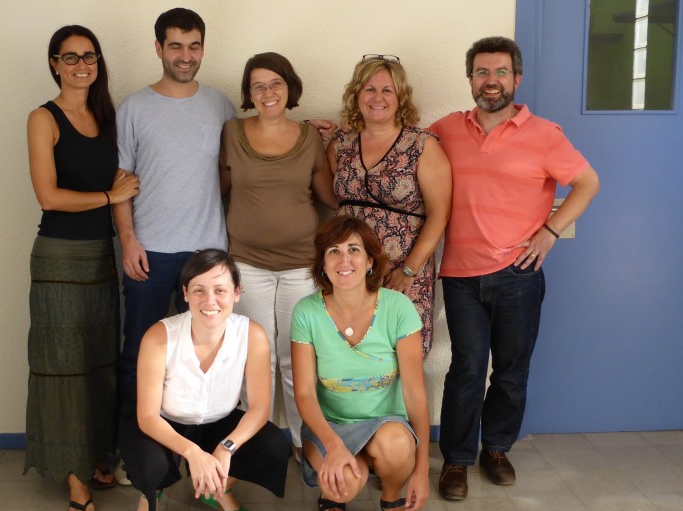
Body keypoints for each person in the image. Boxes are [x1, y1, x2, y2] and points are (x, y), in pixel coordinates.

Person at [429, 37, 600, 499]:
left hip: (519, 275)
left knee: (510, 371)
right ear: (470, 79)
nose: (491, 81)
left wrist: (551, 232)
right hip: (460, 274)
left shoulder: (545, 134)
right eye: (482, 72)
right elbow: (401, 149)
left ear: (516, 79)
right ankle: (457, 459)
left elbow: (588, 182)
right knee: (466, 369)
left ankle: (497, 448)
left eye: (501, 72)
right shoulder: (444, 130)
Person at [23, 24, 140, 511]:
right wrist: (110, 196)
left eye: (88, 56)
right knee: (65, 367)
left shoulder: (106, 116)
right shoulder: (42, 118)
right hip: (58, 258)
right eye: (69, 57)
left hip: (100, 256)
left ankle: (92, 457)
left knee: (97, 362)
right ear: (54, 63)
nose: (80, 65)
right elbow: (48, 196)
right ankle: (74, 477)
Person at [115, 8, 237, 452]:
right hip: (149, 251)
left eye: (194, 46)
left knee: (208, 355)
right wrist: (129, 240)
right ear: (158, 48)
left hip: (207, 256)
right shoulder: (134, 108)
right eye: (176, 46)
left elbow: (237, 164)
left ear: (203, 48)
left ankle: (202, 452)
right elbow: (120, 182)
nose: (186, 56)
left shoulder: (220, 105)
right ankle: (135, 453)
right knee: (139, 355)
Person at [125, 249, 291, 511]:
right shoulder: (159, 335)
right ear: (185, 293)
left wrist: (225, 449)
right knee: (150, 466)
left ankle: (218, 488)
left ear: (237, 293)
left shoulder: (252, 334)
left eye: (220, 290)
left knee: (274, 445)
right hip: (165, 423)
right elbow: (148, 417)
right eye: (199, 290)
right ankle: (151, 495)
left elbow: (259, 408)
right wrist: (193, 454)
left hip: (218, 421)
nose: (210, 300)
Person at [220, 52, 337, 458]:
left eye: (276, 83)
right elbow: (217, 190)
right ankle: (257, 448)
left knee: (296, 359)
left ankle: (306, 445)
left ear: (290, 88)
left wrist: (338, 144)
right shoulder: (232, 133)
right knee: (257, 358)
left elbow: (330, 198)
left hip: (301, 265)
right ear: (249, 93)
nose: (267, 92)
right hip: (247, 263)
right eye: (258, 86)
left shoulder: (310, 138)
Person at [290, 216, 430, 511]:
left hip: (386, 424)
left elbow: (415, 394)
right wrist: (334, 447)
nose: (344, 260)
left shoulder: (398, 307)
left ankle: (391, 498)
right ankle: (355, 463)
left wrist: (421, 469)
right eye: (333, 251)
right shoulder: (306, 312)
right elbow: (305, 394)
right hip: (331, 425)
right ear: (323, 264)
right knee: (343, 486)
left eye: (354, 250)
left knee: (396, 446)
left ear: (370, 261)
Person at [329, 55, 451, 357]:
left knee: (401, 359)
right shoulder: (341, 144)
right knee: (348, 359)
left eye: (388, 90)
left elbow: (439, 214)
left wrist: (409, 270)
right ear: (356, 94)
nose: (378, 98)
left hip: (401, 275)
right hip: (349, 273)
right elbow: (335, 199)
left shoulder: (422, 146)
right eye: (369, 89)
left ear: (401, 97)